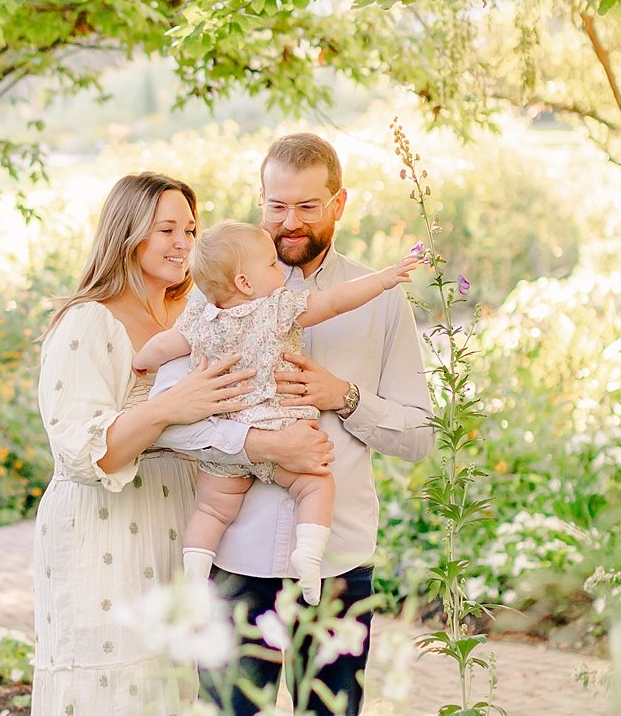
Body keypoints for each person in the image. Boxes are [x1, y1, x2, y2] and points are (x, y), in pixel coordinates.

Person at [29, 172, 327, 716]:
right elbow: (82, 450)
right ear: (128, 231)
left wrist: (273, 445)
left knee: (170, 714)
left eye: (191, 231)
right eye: (167, 228)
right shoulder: (87, 324)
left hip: (175, 530)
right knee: (106, 709)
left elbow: (214, 434)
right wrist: (173, 406)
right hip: (100, 537)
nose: (182, 243)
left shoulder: (199, 318)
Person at [155, 133, 434, 716]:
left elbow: (421, 435)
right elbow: (169, 419)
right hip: (238, 562)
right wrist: (256, 444)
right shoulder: (214, 293)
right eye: (275, 206)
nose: (288, 223)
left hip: (337, 564)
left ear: (339, 203)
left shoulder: (378, 299)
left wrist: (342, 397)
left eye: (307, 206)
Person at [132, 220, 420, 602]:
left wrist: (140, 361)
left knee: (211, 511)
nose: (278, 272)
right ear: (246, 283)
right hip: (281, 427)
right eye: (271, 266)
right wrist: (383, 281)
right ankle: (310, 555)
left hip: (228, 440)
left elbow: (162, 346)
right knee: (316, 484)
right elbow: (334, 303)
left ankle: (195, 572)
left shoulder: (201, 320)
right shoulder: (277, 309)